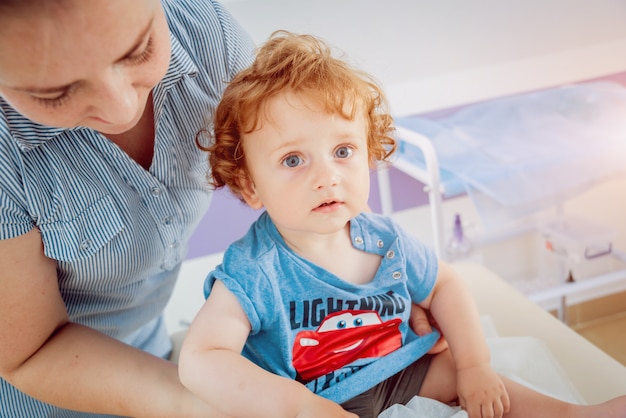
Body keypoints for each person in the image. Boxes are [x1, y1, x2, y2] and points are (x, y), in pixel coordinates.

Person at [178, 31, 626, 418]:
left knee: (474, 377)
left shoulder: (383, 239)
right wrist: (296, 407)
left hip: (404, 370)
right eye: (293, 159)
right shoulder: (255, 271)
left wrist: (474, 366)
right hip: (315, 400)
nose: (327, 176)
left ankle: (574, 413)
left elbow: (445, 284)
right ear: (249, 185)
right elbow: (200, 358)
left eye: (343, 151)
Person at [0, 0, 258, 416]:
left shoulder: (209, 35)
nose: (121, 109)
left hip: (148, 345)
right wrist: (199, 404)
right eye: (54, 93)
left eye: (139, 50)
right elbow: (30, 352)